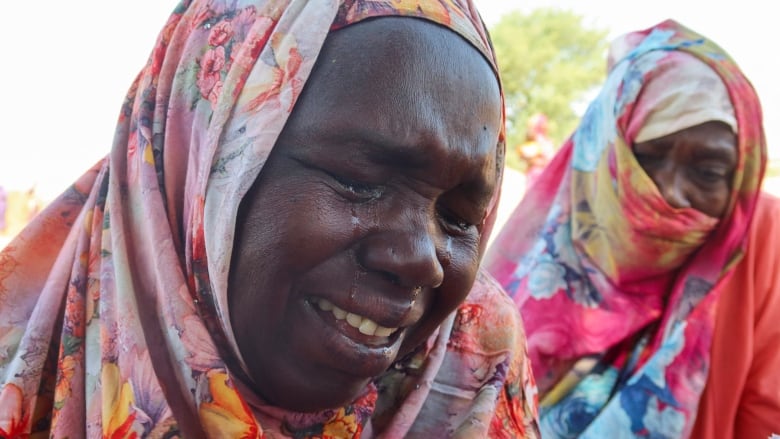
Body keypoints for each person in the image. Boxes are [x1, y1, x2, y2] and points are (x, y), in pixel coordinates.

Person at [0, 0, 540, 437]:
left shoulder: (473, 371)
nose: (423, 261)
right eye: (358, 181)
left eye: (459, 217)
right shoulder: (26, 376)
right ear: (202, 171)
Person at [485, 19, 779, 438]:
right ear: (603, 163)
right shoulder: (507, 305)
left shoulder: (758, 242)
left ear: (739, 177)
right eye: (646, 159)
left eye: (709, 171)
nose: (671, 194)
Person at [515, 113, 555, 188]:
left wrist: (532, 160)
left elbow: (549, 161)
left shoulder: (544, 142)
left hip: (540, 177)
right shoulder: (533, 141)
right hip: (532, 176)